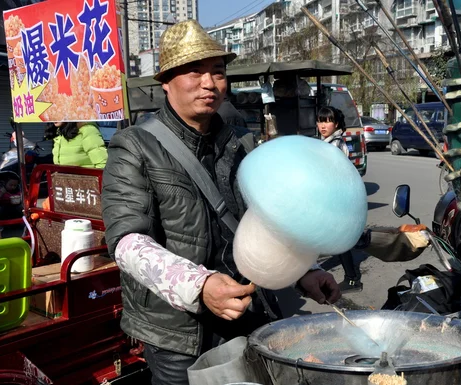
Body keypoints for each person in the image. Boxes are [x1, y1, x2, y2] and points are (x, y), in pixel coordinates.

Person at [101, 20, 341, 385]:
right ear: (165, 80)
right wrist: (200, 286)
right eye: (194, 72)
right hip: (178, 334)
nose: (209, 84)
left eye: (218, 72)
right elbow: (128, 242)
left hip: (245, 312)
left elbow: (262, 225)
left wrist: (302, 272)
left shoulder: (239, 143)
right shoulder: (134, 147)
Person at [317, 106, 364, 294]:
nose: (323, 125)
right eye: (320, 120)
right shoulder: (325, 143)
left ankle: (353, 279)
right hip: (327, 198)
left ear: (336, 124)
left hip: (335, 199)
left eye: (327, 121)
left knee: (338, 240)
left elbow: (338, 175)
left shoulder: (336, 145)